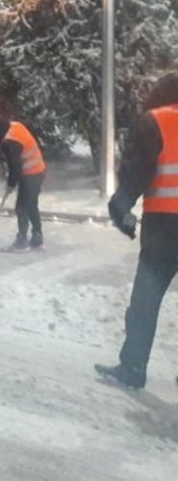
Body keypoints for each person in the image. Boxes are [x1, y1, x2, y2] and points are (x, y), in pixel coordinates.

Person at [95, 72, 178, 389]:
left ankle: (133, 368)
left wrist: (120, 207)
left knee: (145, 301)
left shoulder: (154, 122)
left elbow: (136, 173)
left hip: (165, 231)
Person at [0, 113, 46, 249]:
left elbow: (15, 166)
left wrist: (11, 184)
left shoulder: (10, 142)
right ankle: (37, 236)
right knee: (31, 205)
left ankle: (22, 240)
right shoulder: (15, 126)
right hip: (37, 170)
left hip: (31, 174)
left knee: (22, 207)